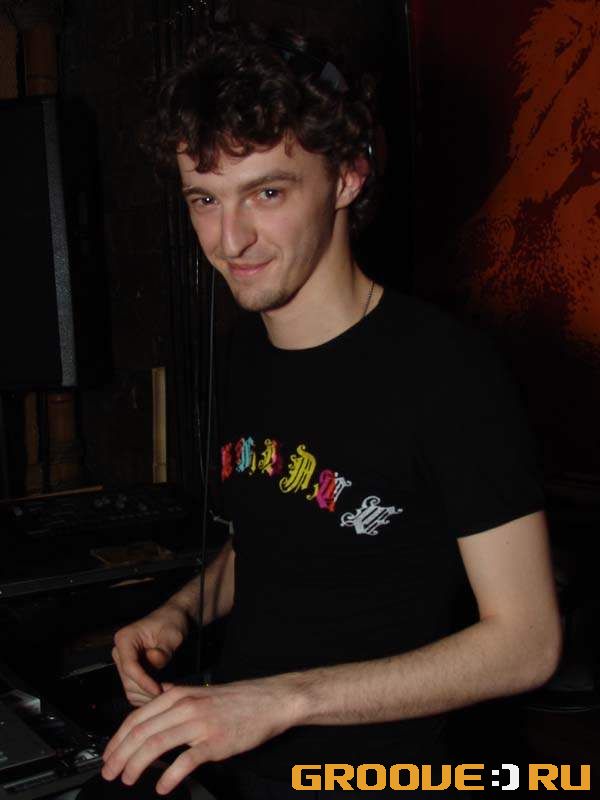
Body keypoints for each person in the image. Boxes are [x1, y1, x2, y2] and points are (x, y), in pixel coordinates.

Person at [101, 22, 561, 800]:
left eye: (268, 193)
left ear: (348, 177)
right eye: (204, 199)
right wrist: (180, 612)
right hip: (228, 748)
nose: (230, 240)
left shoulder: (449, 371)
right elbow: (279, 534)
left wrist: (282, 701)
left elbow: (527, 643)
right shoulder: (242, 353)